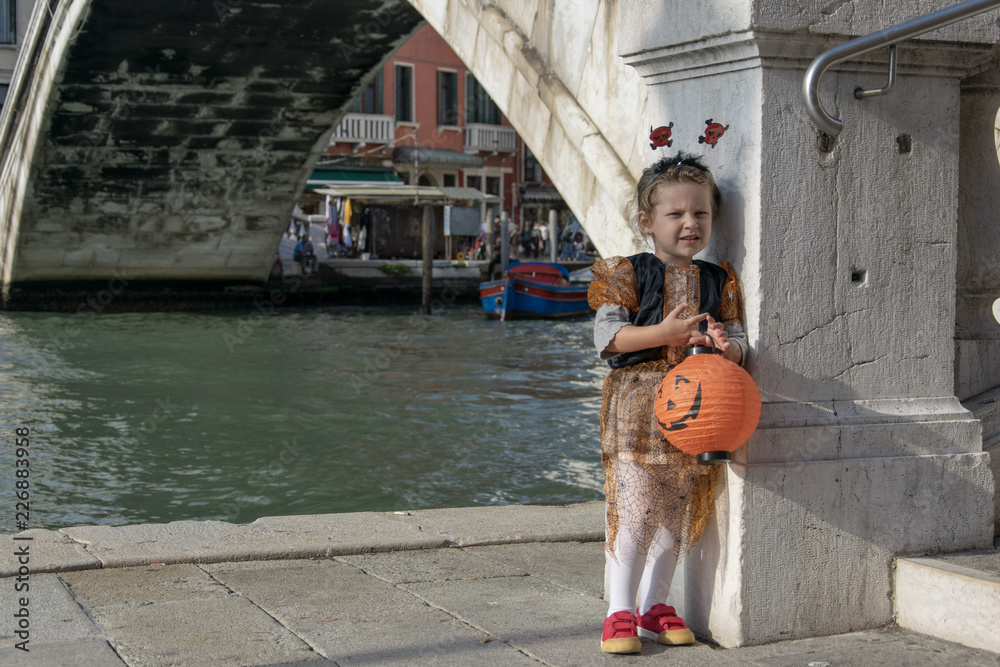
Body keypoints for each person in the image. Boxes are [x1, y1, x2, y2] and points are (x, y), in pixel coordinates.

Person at [588, 152, 748, 654]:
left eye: (700, 213)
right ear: (647, 222)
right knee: (635, 507)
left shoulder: (718, 279)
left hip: (693, 413)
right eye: (675, 213)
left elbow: (741, 343)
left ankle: (655, 605)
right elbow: (608, 337)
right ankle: (618, 610)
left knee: (675, 510)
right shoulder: (629, 272)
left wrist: (728, 348)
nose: (689, 223)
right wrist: (664, 333)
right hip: (637, 410)